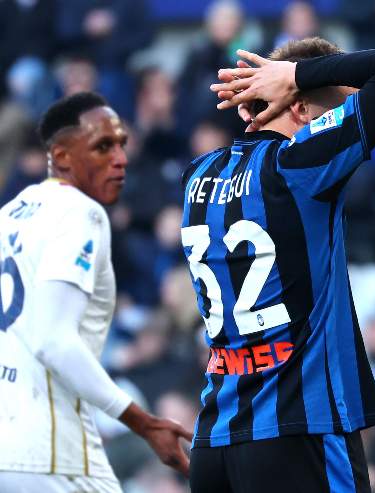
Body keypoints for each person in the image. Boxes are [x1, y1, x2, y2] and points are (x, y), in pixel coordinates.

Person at [185, 38, 375, 492]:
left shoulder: (198, 174)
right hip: (302, 429)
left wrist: (267, 98)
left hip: (214, 438)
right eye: (336, 109)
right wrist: (296, 76)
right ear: (300, 109)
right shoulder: (299, 167)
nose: (349, 120)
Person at [0, 92, 191, 491]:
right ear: (62, 156)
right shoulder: (80, 213)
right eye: (103, 146)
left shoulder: (11, 212)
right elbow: (53, 341)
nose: (119, 158)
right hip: (48, 447)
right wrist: (144, 421)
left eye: (121, 143)